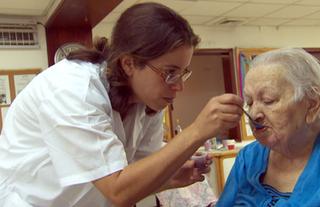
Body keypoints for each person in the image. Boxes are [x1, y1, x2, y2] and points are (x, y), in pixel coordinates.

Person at [0, 3, 243, 207]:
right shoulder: (74, 90)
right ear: (128, 64)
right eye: (170, 72)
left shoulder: (147, 102)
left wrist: (170, 177)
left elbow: (136, 171)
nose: (178, 86)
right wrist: (197, 132)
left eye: (182, 73)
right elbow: (118, 189)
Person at [216, 48, 320, 206]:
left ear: (312, 105)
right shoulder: (249, 157)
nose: (254, 114)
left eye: (268, 100)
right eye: (249, 102)